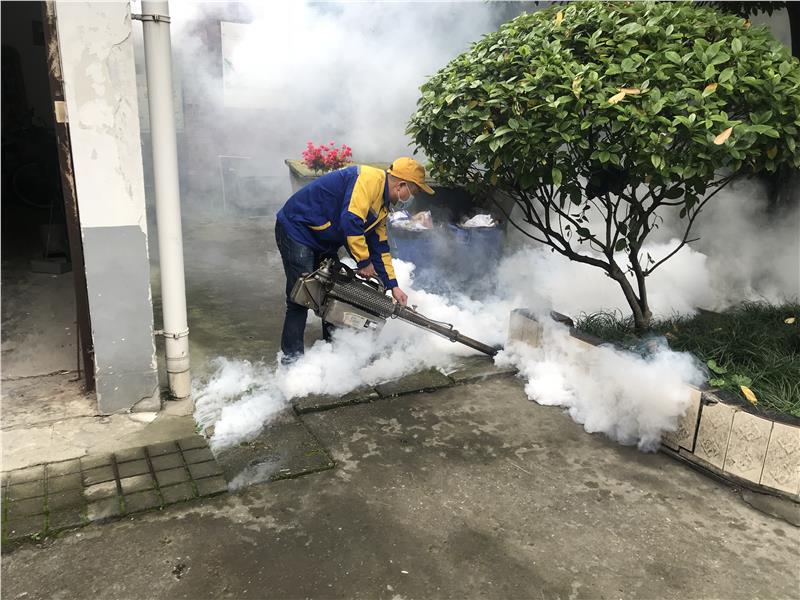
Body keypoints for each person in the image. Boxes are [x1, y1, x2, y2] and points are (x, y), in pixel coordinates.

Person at [275, 156, 435, 362]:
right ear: (401, 185)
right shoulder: (367, 179)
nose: (413, 196)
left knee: (334, 291)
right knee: (301, 295)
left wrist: (393, 286)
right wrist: (363, 262)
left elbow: (380, 248)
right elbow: (351, 221)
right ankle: (292, 360)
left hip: (323, 238)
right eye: (414, 191)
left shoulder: (383, 206)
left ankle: (333, 352)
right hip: (298, 229)